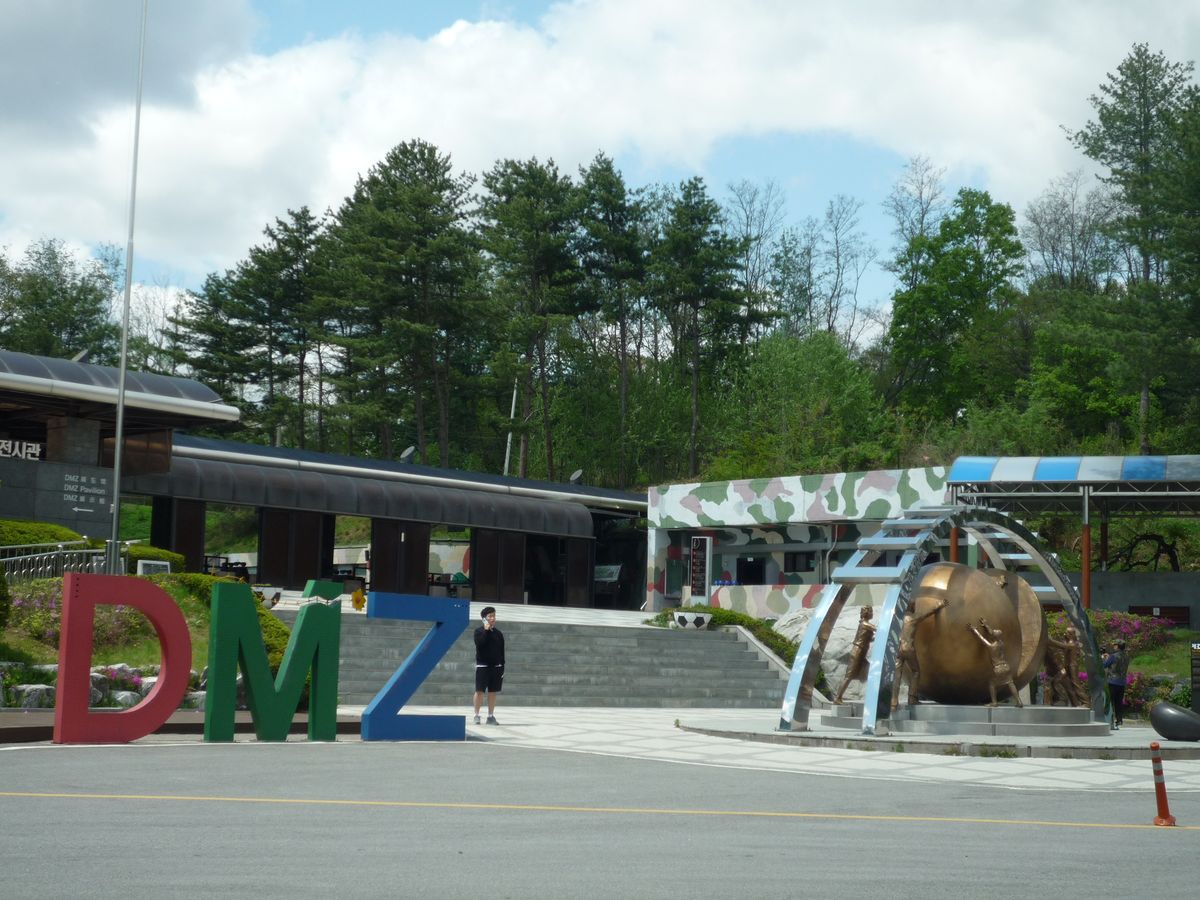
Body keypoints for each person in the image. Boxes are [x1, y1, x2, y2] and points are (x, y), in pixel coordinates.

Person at [968, 618, 1022, 708]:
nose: (993, 632)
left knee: (992, 684)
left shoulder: (991, 646)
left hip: (998, 668)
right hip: (1006, 666)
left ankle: (994, 702)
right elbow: (992, 633)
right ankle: (1019, 701)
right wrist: (986, 625)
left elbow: (982, 639)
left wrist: (975, 630)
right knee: (1010, 683)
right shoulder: (1001, 643)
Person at [834, 605, 875, 705]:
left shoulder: (865, 625)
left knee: (870, 673)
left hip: (861, 653)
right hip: (857, 652)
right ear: (867, 613)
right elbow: (876, 628)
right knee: (849, 676)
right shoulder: (865, 624)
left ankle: (874, 697)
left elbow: (867, 638)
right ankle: (838, 697)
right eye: (871, 611)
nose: (872, 613)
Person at [473, 606, 505, 725]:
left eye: (494, 616)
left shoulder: (498, 633)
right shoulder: (479, 632)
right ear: (484, 619)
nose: (493, 618)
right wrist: (486, 630)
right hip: (483, 666)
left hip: (496, 667)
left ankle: (490, 716)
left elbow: (502, 651)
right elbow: (480, 643)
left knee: (493, 692)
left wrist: (502, 666)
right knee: (479, 691)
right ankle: (476, 715)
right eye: (490, 616)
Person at [1104, 640, 1130, 728]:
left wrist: (1105, 658)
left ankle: (1110, 719)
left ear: (1117, 646)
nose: (1114, 646)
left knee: (1110, 701)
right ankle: (1119, 720)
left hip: (1112, 681)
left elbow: (1104, 665)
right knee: (1118, 702)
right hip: (1122, 682)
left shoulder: (1113, 656)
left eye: (1115, 645)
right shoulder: (1127, 656)